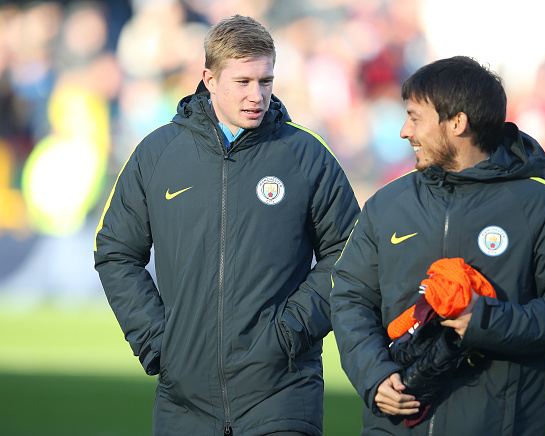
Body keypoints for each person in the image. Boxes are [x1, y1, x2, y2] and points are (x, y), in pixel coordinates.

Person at [94, 14, 359, 436]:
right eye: (243, 82)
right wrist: (158, 342)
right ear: (209, 78)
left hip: (283, 393)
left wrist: (291, 332)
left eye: (266, 81)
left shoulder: (305, 155)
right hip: (184, 401)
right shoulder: (158, 153)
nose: (258, 95)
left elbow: (351, 252)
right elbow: (115, 252)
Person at [330, 55, 545, 435]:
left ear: (457, 122)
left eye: (415, 118)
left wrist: (486, 321)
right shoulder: (387, 204)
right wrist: (374, 375)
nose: (405, 131)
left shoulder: (541, 204)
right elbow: (349, 297)